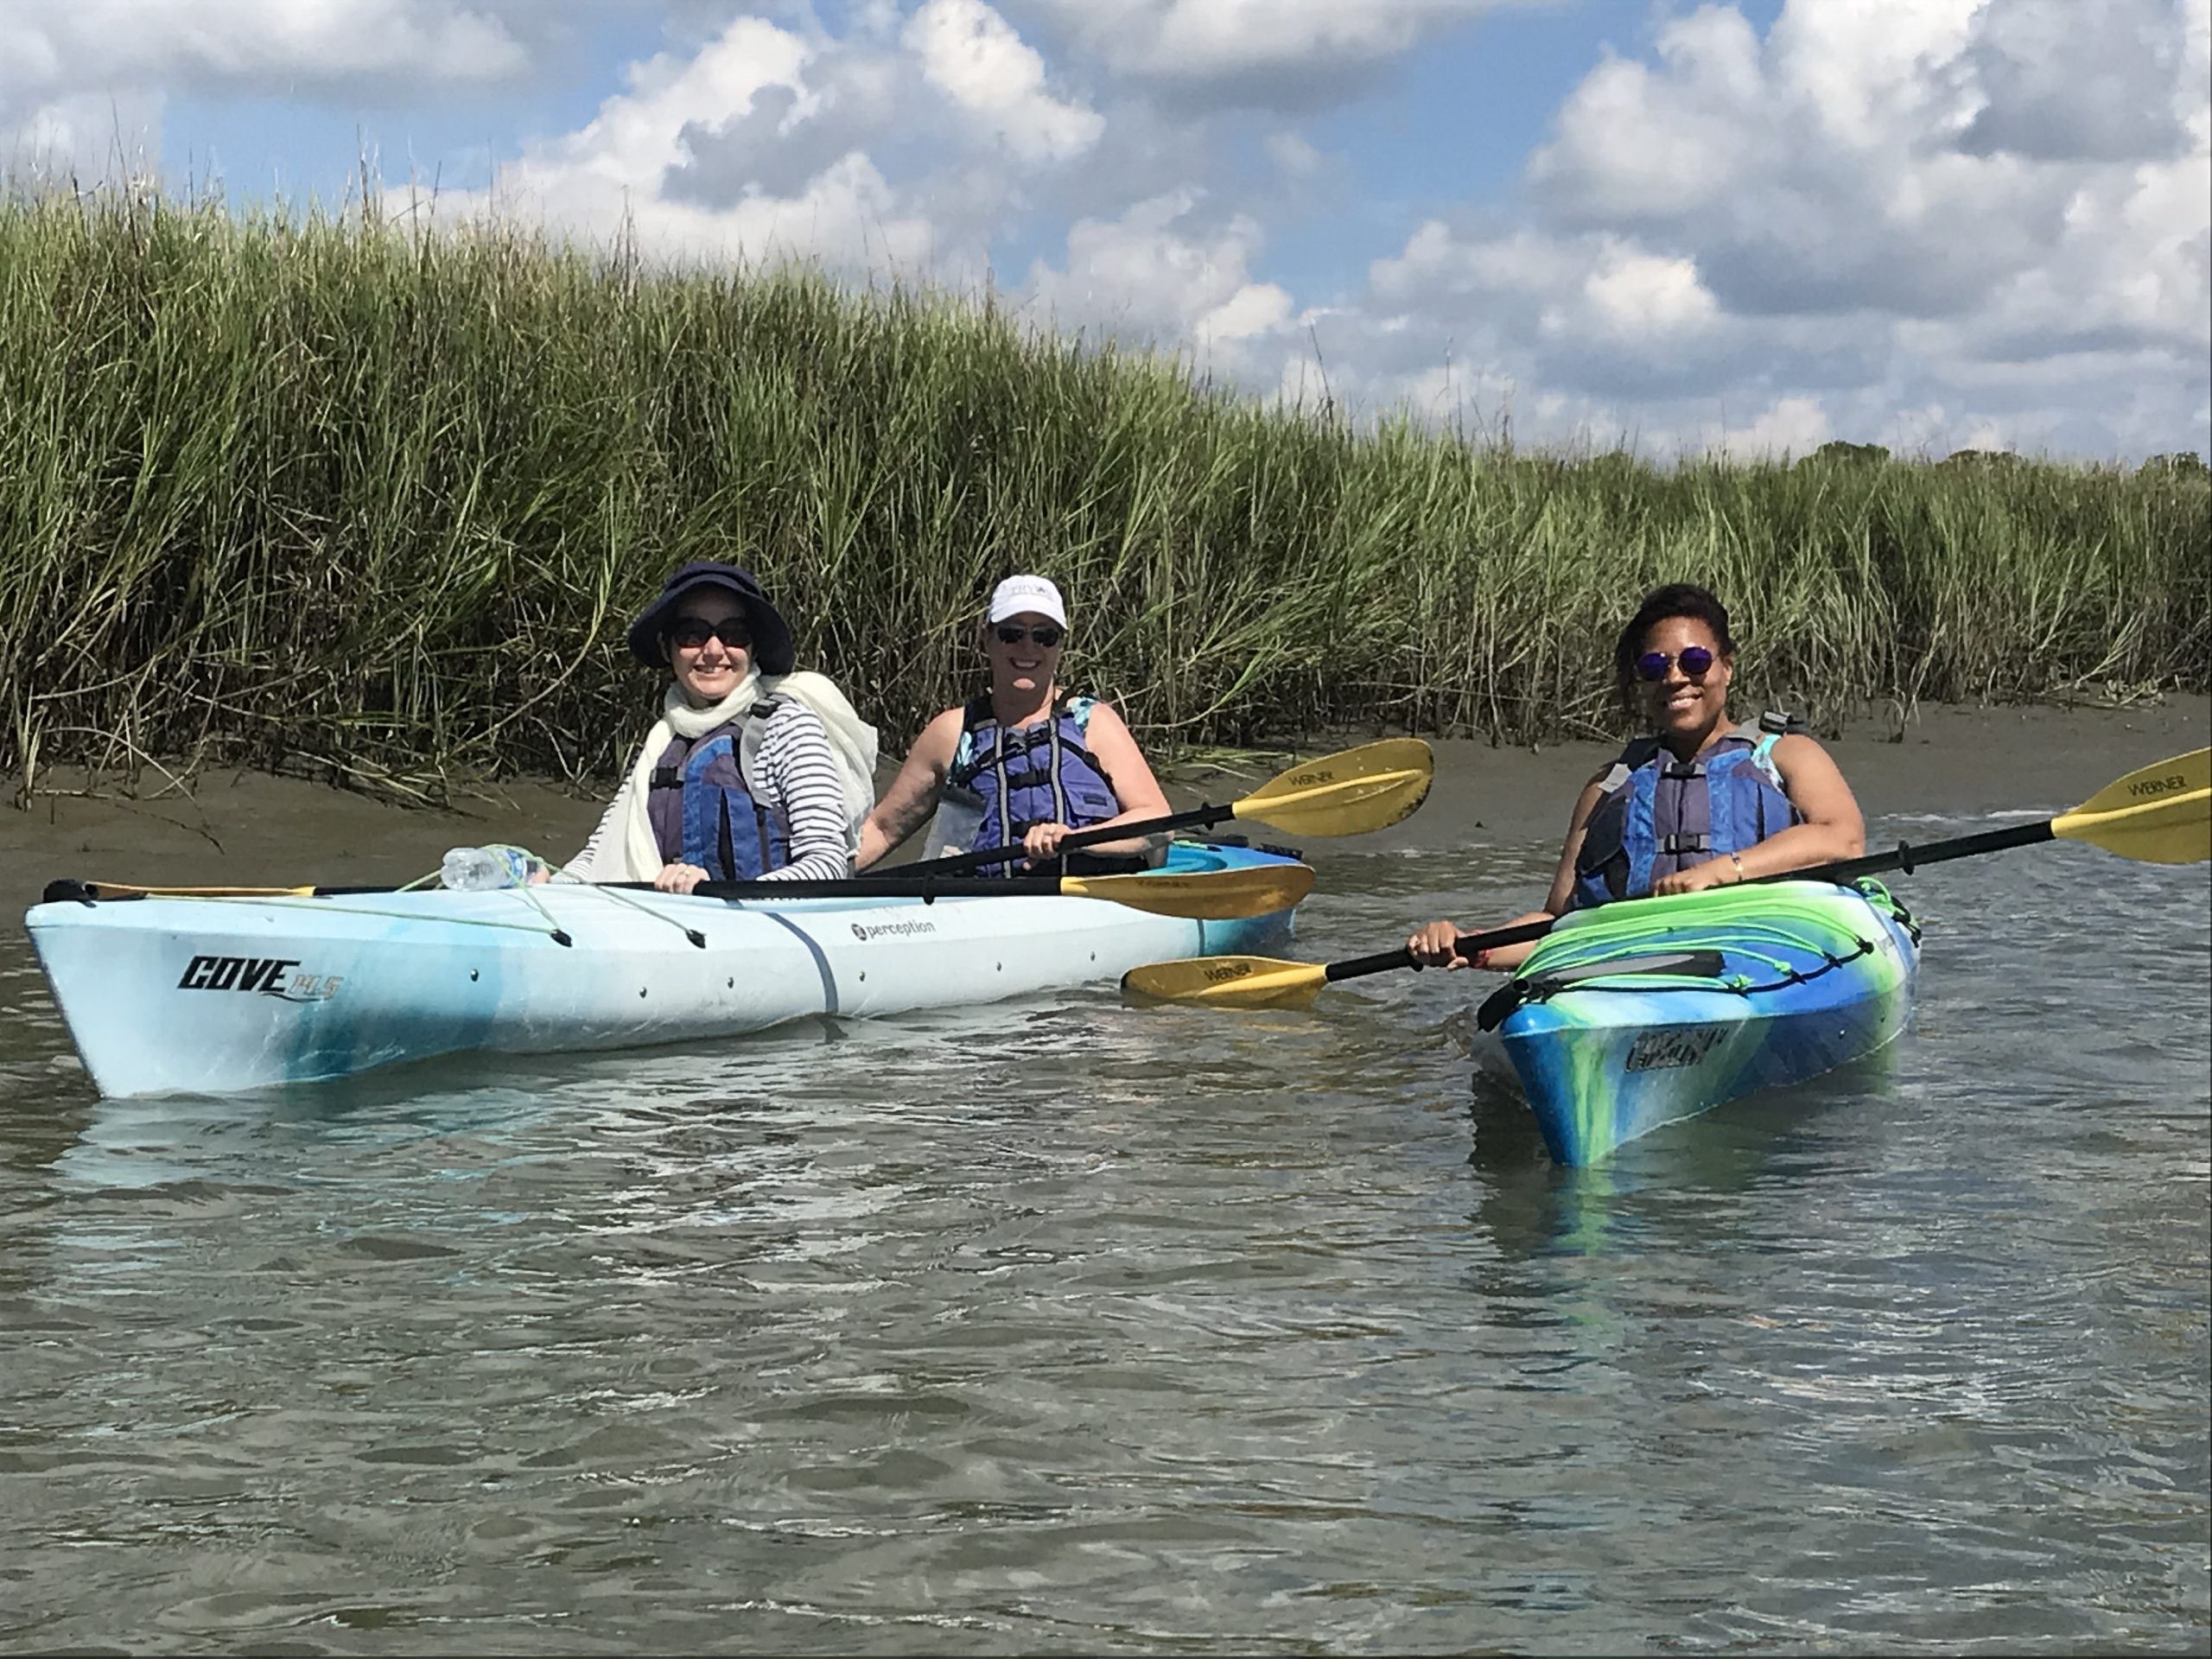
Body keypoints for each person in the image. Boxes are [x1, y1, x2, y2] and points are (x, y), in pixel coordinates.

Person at [1408, 582, 1866, 971]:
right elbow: (1557, 919)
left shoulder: (1785, 755)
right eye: (1654, 667)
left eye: (1694, 661)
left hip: (1765, 953)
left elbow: (1843, 839)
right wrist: (1471, 945)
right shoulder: (1610, 784)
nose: (1674, 678)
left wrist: (1721, 871)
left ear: (1726, 666)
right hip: (1639, 965)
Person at [561, 561, 879, 893]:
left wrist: (719, 896)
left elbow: (826, 863)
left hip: (763, 926)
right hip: (681, 924)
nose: (713, 651)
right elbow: (596, 857)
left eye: (733, 635)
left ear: (753, 647)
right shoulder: (662, 742)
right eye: (692, 635)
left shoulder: (788, 726)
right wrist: (546, 882)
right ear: (666, 647)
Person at [856, 575, 1171, 874]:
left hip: (1088, 905)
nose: (1028, 648)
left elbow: (1157, 822)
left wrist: (1075, 840)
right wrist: (817, 872)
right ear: (988, 640)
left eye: (1044, 636)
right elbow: (882, 830)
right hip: (982, 909)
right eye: (1012, 634)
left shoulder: (1092, 722)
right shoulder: (952, 732)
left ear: (1060, 645)